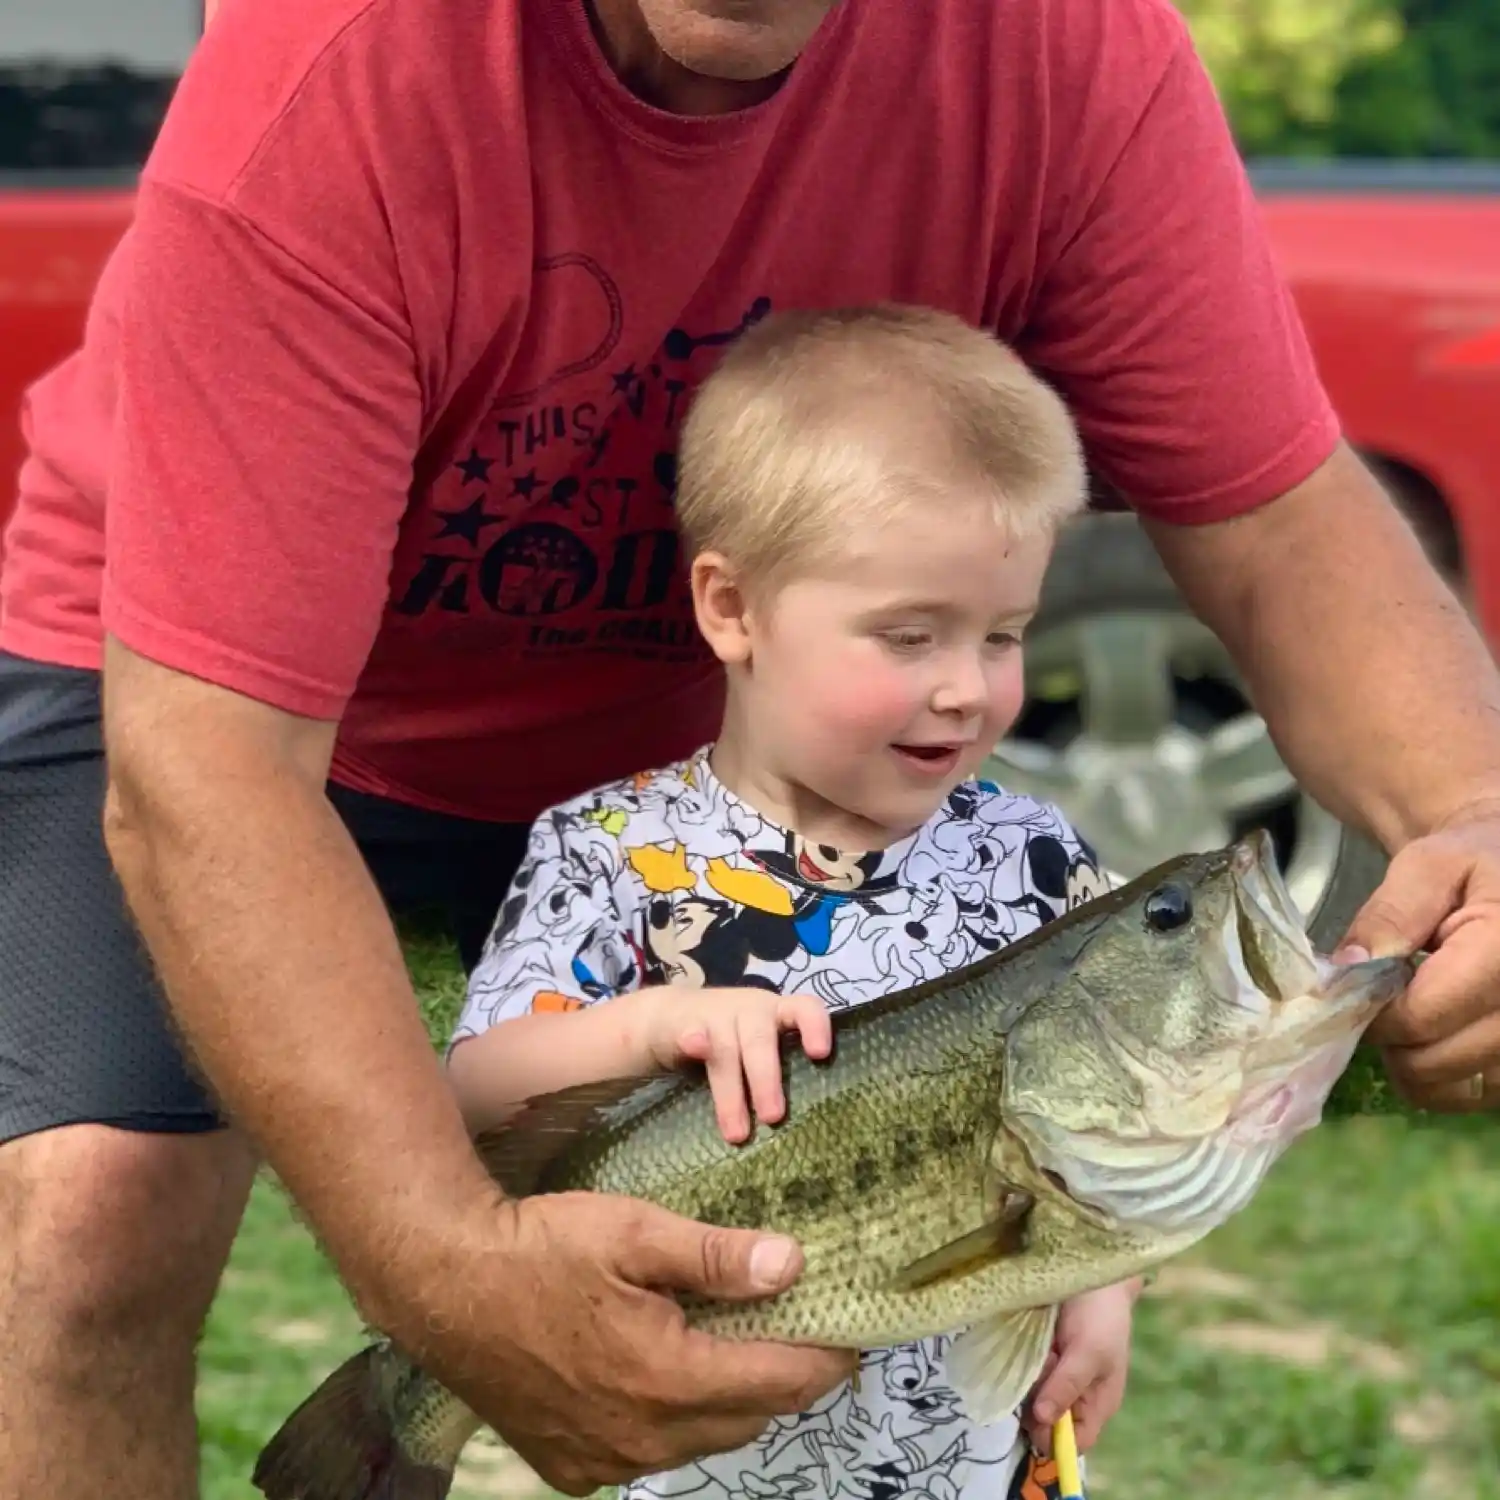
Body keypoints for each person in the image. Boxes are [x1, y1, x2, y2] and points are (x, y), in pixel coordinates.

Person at [4, 1, 1500, 1498]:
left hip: (720, 718)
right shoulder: (337, 71)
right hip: (224, 685)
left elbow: (1279, 522)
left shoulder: (1069, 54)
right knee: (84, 1213)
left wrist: (1479, 816)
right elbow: (213, 774)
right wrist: (450, 1282)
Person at [446, 304, 1130, 1500]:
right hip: (696, 1457)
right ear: (733, 610)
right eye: (911, 635)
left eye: (1007, 634)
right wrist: (652, 1027)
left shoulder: (1035, 859)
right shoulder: (612, 851)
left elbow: (1108, 1128)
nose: (968, 688)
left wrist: (1106, 1292)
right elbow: (478, 1088)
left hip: (969, 1457)